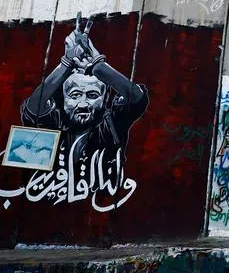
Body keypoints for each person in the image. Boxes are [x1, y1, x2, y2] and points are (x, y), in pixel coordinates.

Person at [20, 16, 148, 171]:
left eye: (92, 95)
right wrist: (66, 64)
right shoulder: (54, 127)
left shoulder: (112, 126)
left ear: (104, 99)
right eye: (75, 95)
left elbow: (136, 98)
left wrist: (98, 66)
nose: (82, 104)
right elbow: (34, 106)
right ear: (64, 99)